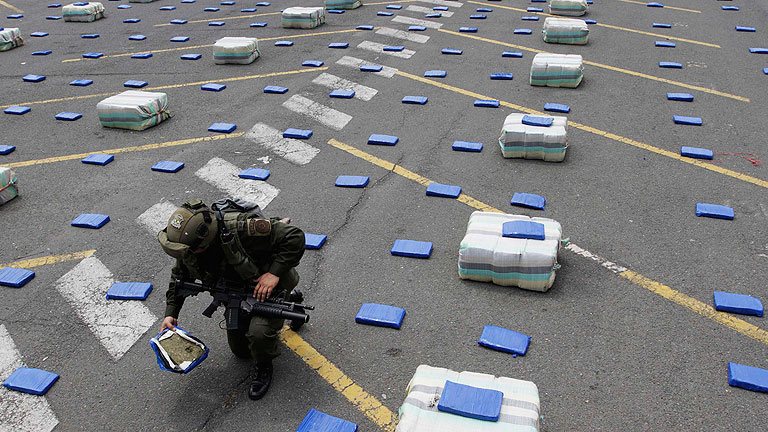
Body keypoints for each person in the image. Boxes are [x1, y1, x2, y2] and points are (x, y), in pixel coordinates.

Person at [157, 199, 305, 400]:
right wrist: (170, 314)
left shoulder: (240, 228)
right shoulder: (189, 248)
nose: (185, 255)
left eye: (190, 250)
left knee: (258, 334)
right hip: (237, 296)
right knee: (241, 351)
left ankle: (264, 366)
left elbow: (295, 236)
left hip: (268, 289)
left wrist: (274, 274)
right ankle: (291, 303)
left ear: (205, 240)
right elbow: (178, 279)